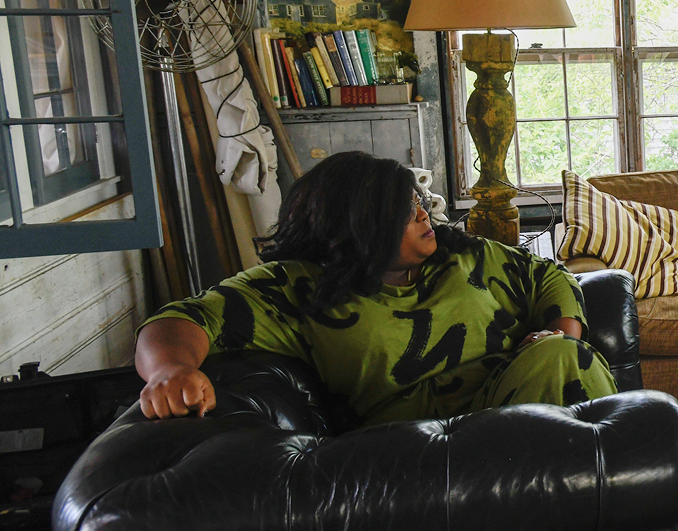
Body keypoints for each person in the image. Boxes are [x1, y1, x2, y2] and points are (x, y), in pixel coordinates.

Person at [134, 150, 616, 424]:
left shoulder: (463, 254)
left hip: (521, 399)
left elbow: (547, 276)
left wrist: (562, 331)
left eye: (419, 202)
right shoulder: (301, 287)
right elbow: (184, 318)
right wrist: (169, 371)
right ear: (357, 226)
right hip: (421, 445)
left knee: (562, 356)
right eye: (405, 212)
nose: (424, 215)